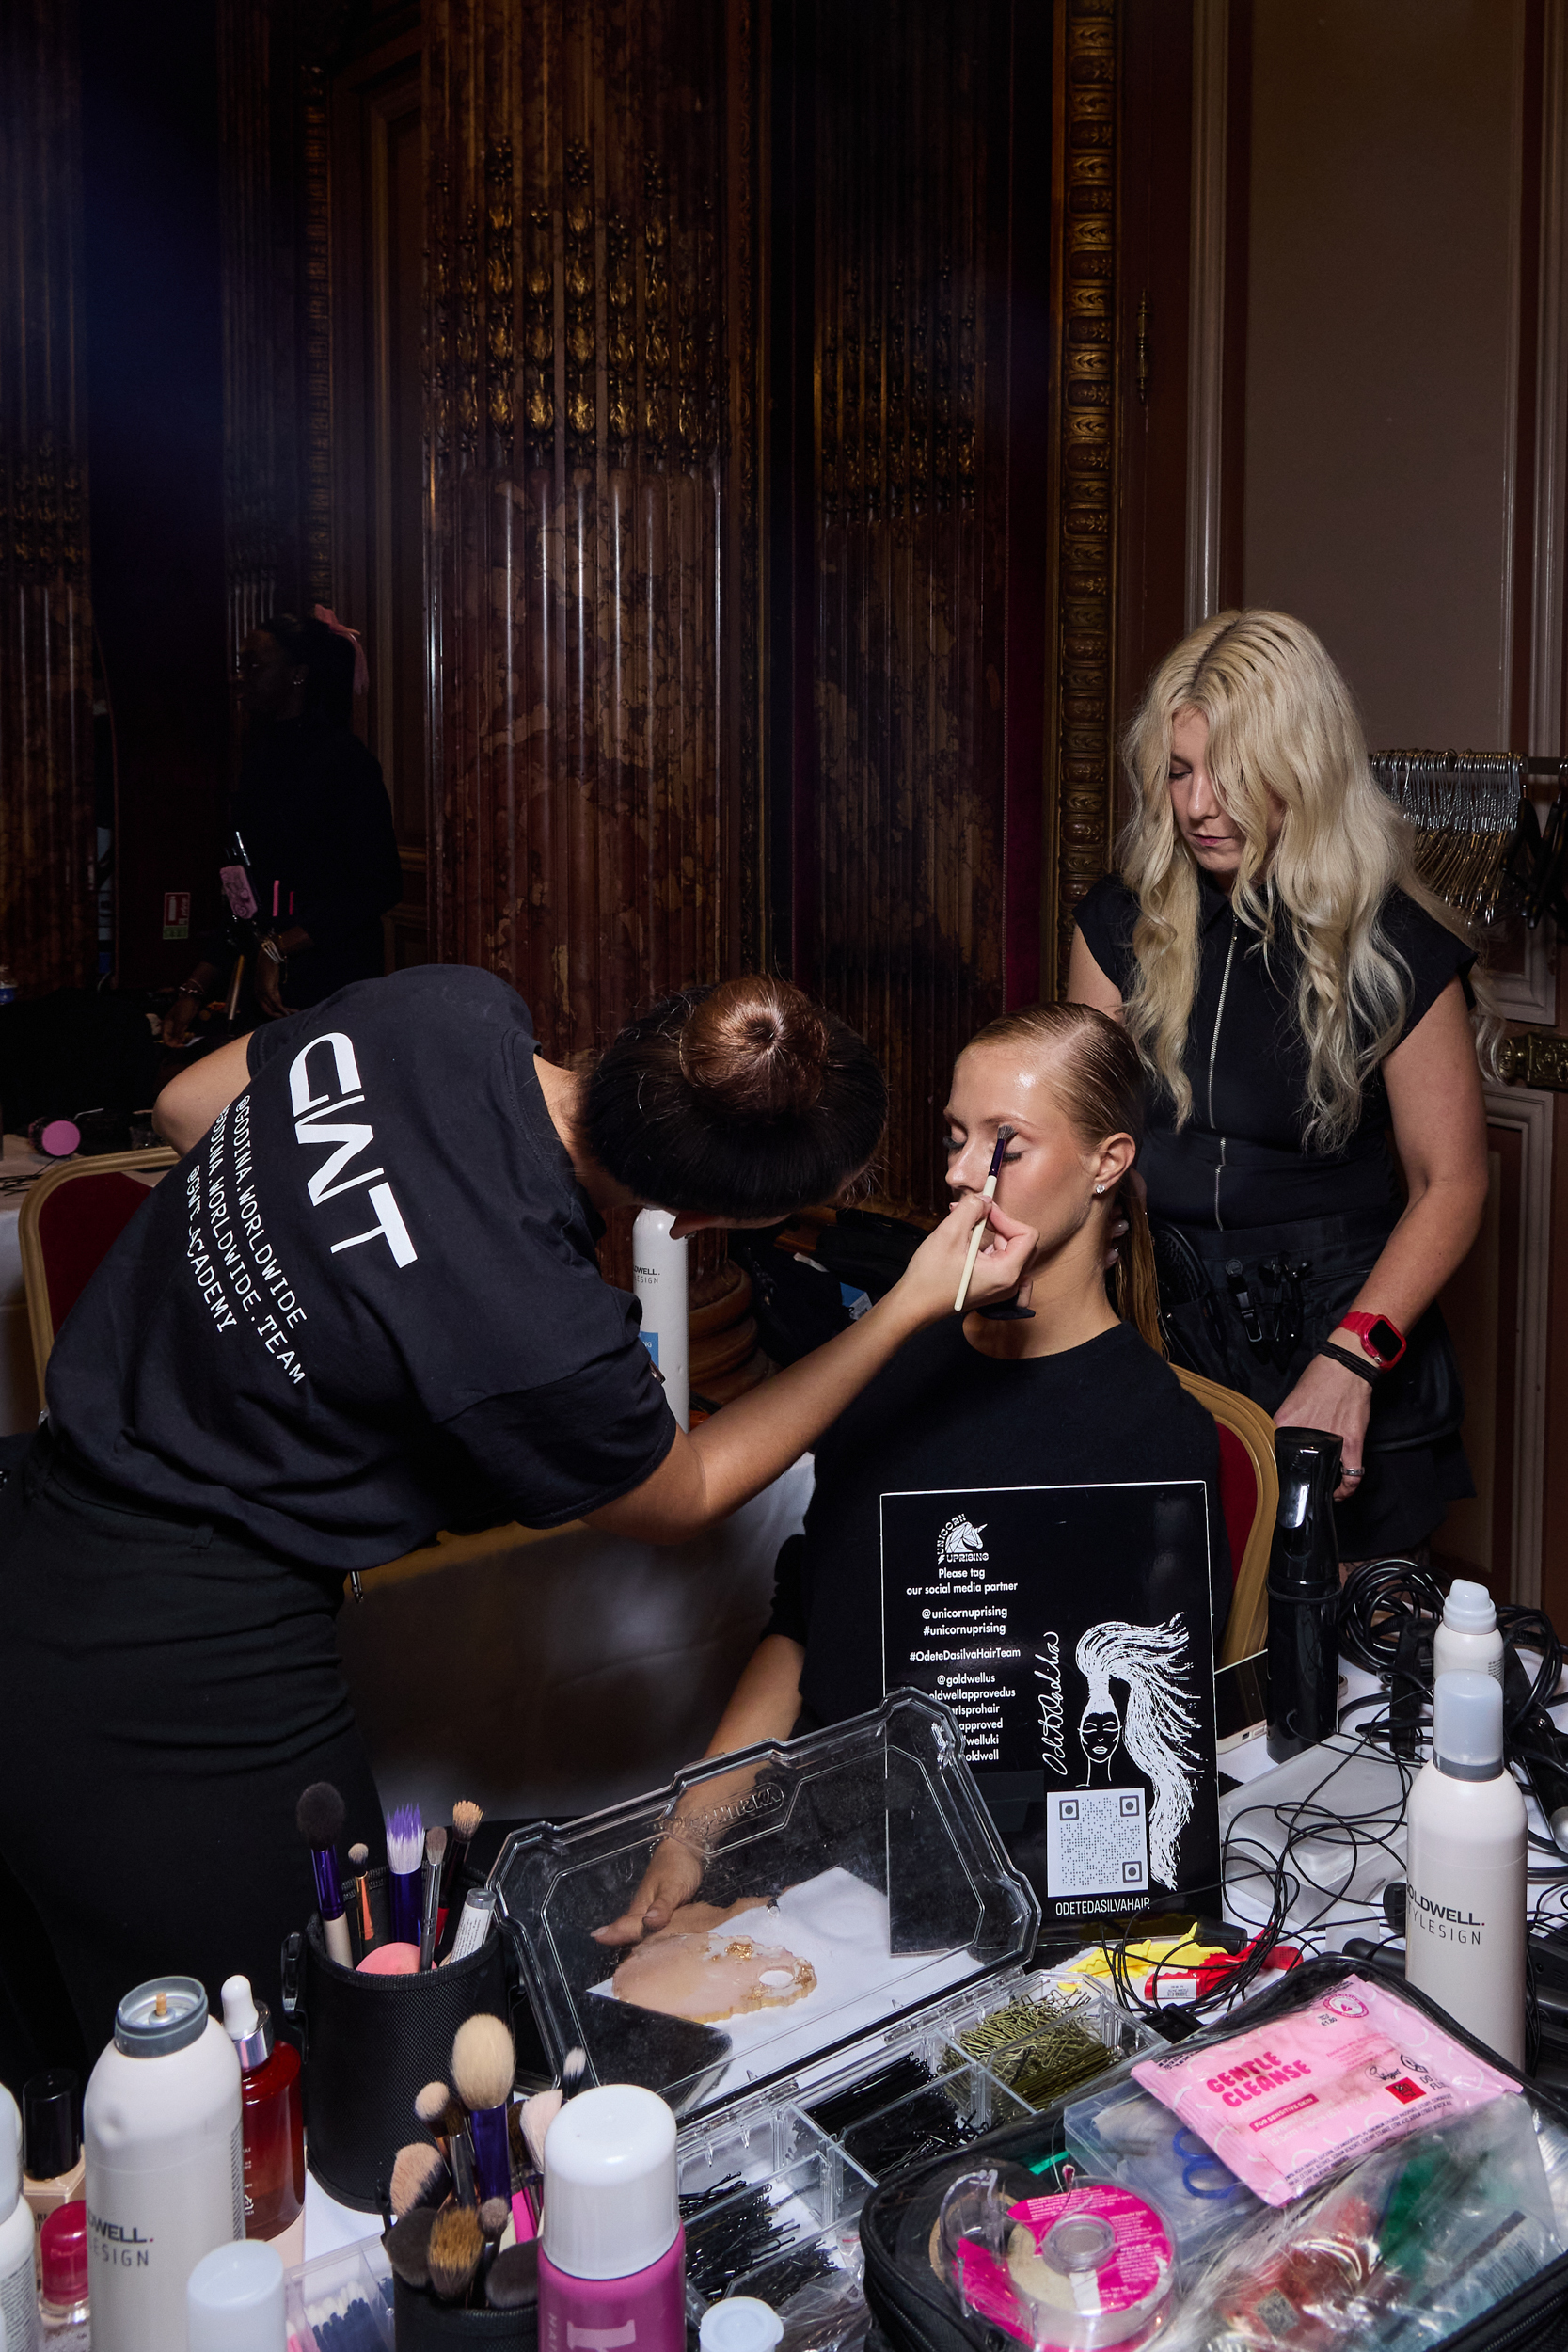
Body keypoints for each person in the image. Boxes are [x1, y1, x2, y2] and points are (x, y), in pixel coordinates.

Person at [0, 969, 1034, 2085]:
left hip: (33, 1503)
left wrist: (324, 1254)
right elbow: (678, 1494)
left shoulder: (445, 1009)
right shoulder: (536, 1327)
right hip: (167, 1663)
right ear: (693, 1223)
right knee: (300, 2059)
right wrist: (909, 1303)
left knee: (45, 2046)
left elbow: (190, 1103)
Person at [595, 1001, 1228, 1946]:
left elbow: (1141, 1755)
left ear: (1107, 1162)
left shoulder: (1152, 1440)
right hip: (822, 1854)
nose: (957, 1174)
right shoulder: (890, 1360)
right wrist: (689, 1835)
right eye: (953, 1137)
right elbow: (803, 1622)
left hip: (1009, 1896)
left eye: (1002, 1144)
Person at [1067, 609, 1491, 1556]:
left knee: (1332, 1674)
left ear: (1303, 768)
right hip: (1160, 1328)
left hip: (1340, 1329)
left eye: (1233, 773)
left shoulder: (1395, 947)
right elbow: (1080, 1139)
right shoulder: (1118, 922)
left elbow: (1450, 1184)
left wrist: (1351, 1359)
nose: (1197, 805)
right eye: (1178, 771)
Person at [164, 609, 403, 1044]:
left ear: (297, 675)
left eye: (254, 665)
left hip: (333, 981)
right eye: (241, 665)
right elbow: (246, 891)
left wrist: (281, 946)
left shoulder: (344, 760)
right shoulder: (261, 757)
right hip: (269, 983)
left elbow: (378, 884)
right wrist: (196, 985)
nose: (241, 677)